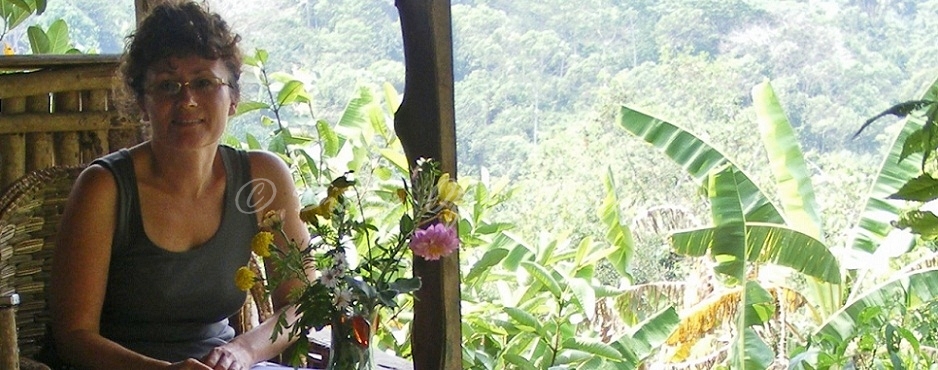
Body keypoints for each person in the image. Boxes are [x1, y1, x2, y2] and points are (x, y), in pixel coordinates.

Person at [46, 1, 313, 369]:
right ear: (143, 102)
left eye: (204, 82)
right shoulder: (104, 188)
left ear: (233, 99)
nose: (186, 99)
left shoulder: (262, 179)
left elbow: (301, 302)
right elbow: (73, 336)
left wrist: (243, 350)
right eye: (167, 85)